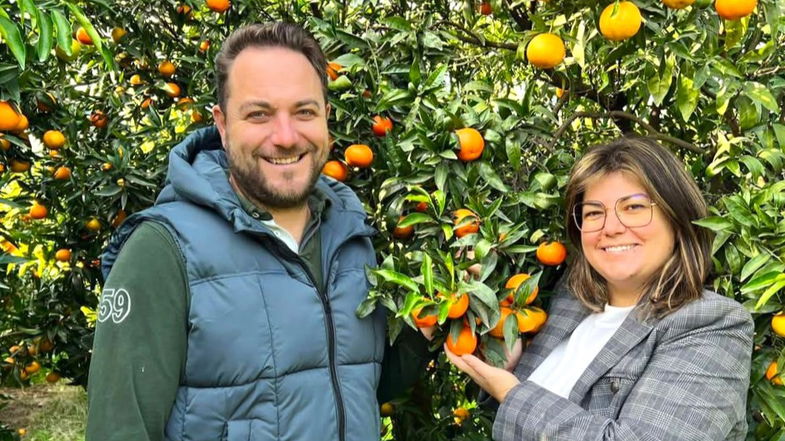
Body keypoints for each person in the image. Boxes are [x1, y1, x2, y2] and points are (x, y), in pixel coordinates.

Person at [86, 22, 430, 441]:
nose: (285, 137)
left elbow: (353, 385)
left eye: (304, 112)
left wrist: (425, 326)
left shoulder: (350, 236)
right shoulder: (162, 251)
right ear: (224, 125)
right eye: (259, 114)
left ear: (327, 117)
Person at [446, 136, 754, 440]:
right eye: (593, 212)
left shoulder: (713, 323)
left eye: (633, 207)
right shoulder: (568, 300)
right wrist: (503, 363)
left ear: (677, 217)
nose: (611, 227)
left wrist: (511, 392)